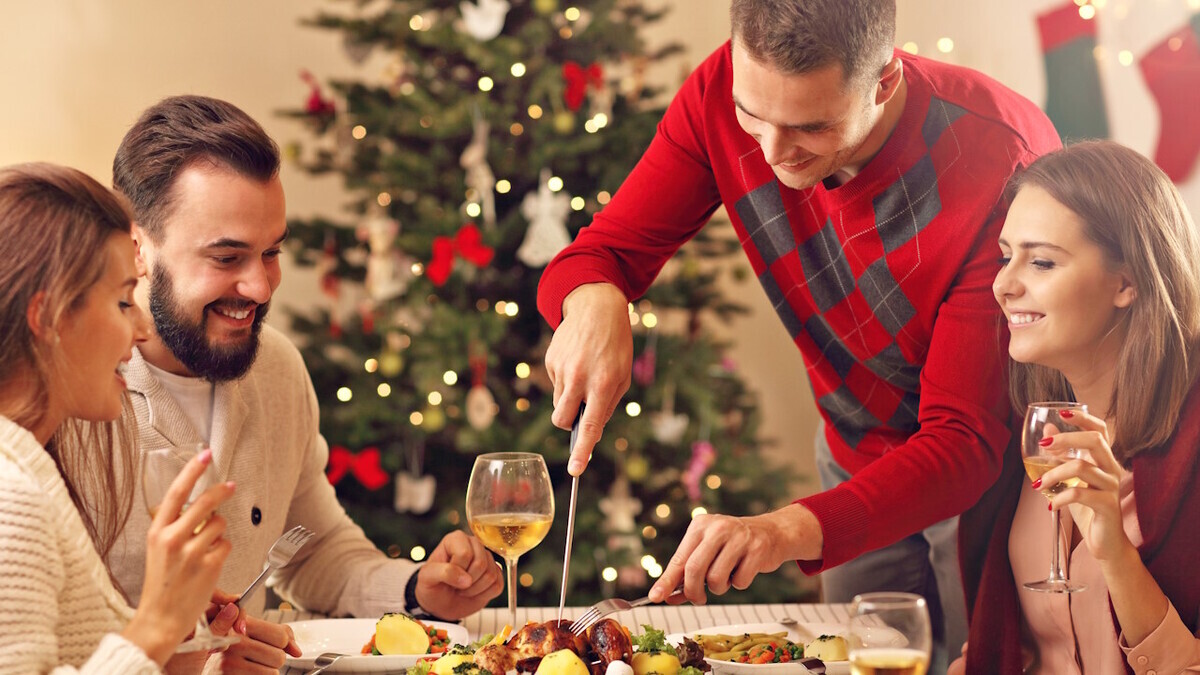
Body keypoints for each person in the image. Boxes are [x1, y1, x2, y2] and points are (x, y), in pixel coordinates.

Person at [536, 0, 1060, 667]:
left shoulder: (1000, 164)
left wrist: (785, 528)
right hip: (851, 449)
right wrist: (594, 299)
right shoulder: (720, 95)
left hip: (989, 479)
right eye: (752, 115)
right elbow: (601, 252)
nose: (771, 152)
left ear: (884, 83)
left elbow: (963, 440)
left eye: (810, 126)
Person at [99, 95, 503, 672]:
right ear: (137, 247)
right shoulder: (75, 394)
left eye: (271, 252)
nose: (262, 288)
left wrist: (416, 590)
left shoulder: (275, 367)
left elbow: (311, 550)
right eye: (227, 256)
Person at [953, 141, 1200, 673]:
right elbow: (1004, 645)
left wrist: (1115, 553)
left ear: (1127, 281)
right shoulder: (1024, 428)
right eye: (1006, 255)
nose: (1003, 284)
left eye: (1041, 261)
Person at [0, 162, 236, 672]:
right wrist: (155, 623)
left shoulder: (28, 470)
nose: (141, 330)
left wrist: (184, 636)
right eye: (123, 301)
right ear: (50, 318)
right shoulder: (10, 500)